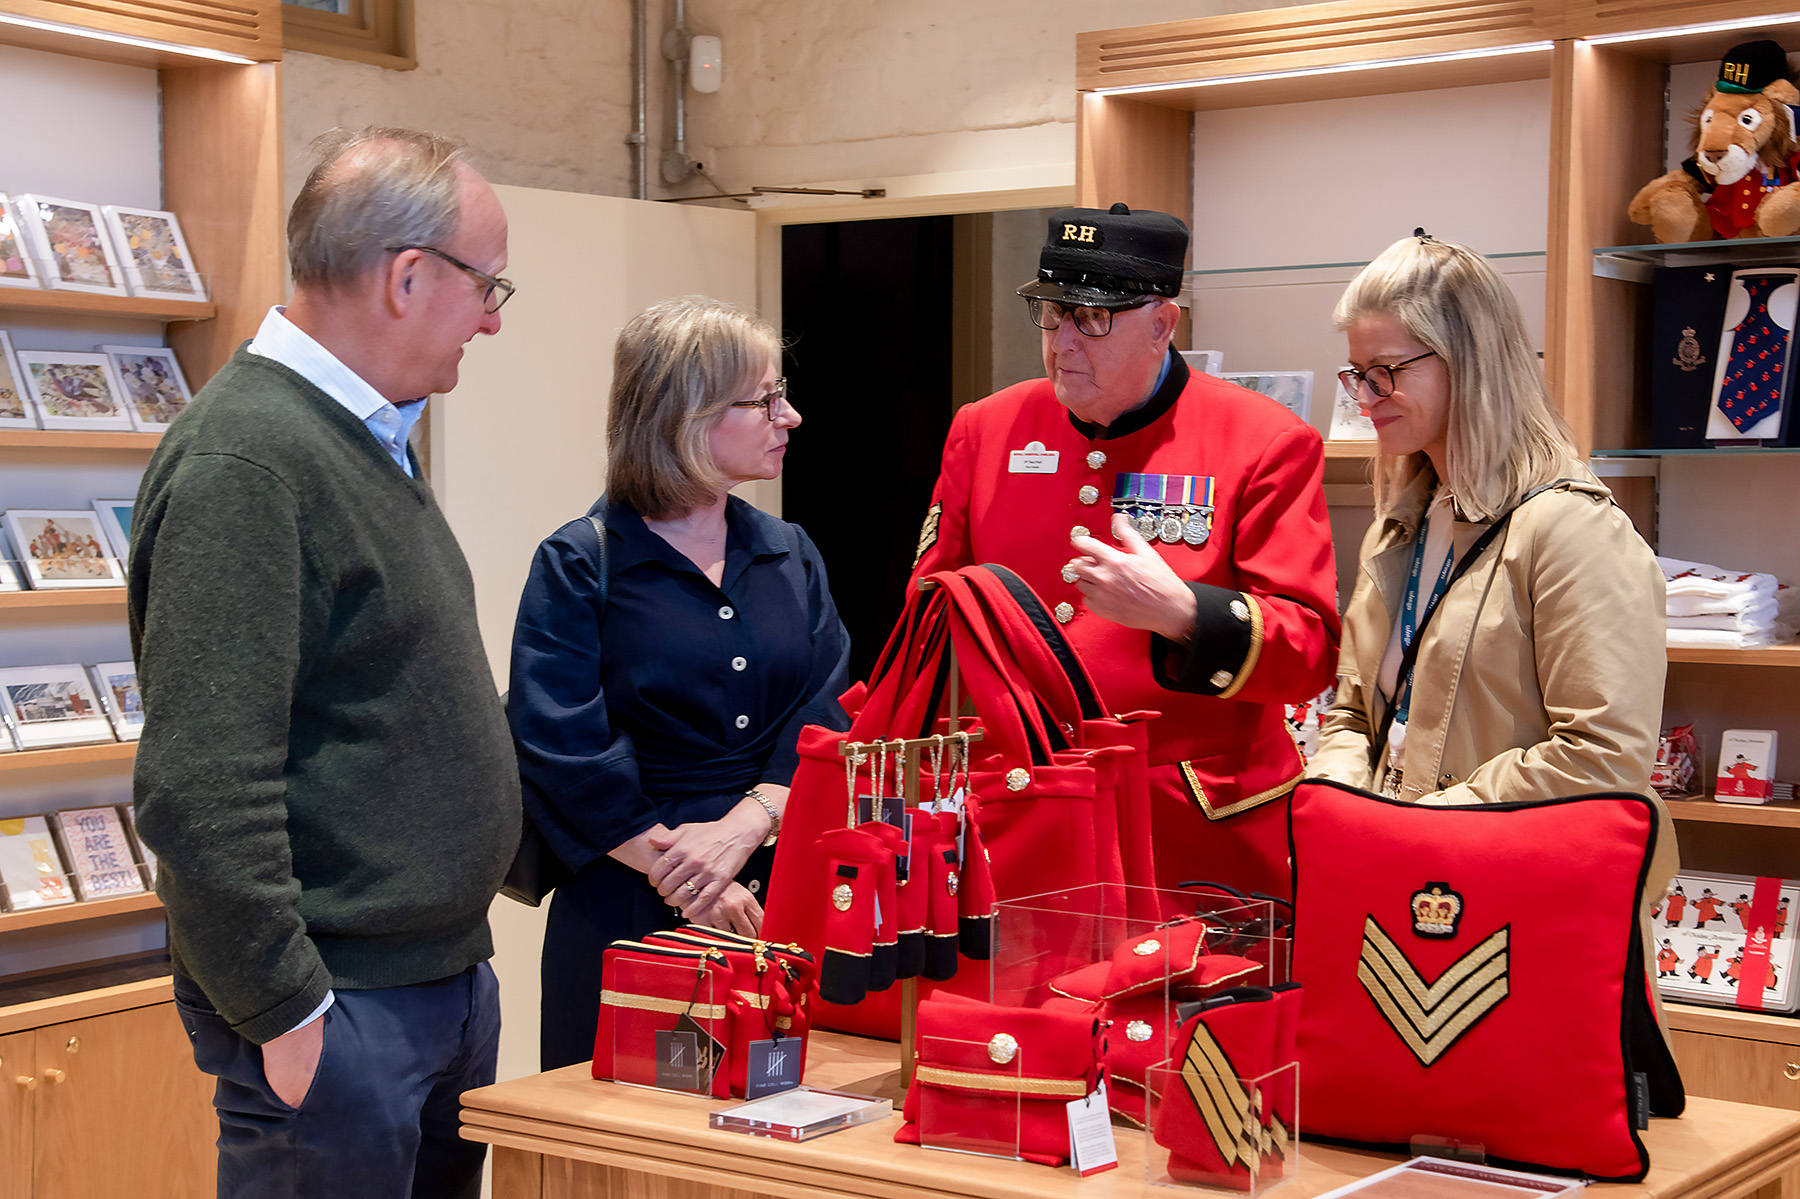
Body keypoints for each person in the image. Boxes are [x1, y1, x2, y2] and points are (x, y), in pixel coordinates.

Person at [128, 126, 519, 1199]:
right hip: (340, 1009)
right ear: (405, 276)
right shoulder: (249, 460)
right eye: (487, 285)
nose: (491, 317)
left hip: (430, 982)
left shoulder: (361, 436)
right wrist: (286, 1008)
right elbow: (201, 784)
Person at [911, 204, 1340, 900]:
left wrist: (1185, 613)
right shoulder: (985, 429)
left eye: (1092, 318)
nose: (1063, 344)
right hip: (1017, 821)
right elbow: (928, 618)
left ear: (1163, 323)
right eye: (1052, 314)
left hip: (1186, 835)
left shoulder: (1264, 440)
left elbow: (1310, 651)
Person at [508, 296, 851, 1070]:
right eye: (764, 399)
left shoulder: (791, 552)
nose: (789, 415)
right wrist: (691, 878)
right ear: (685, 415)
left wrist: (743, 828)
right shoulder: (578, 561)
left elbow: (827, 712)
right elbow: (559, 744)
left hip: (776, 894)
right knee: (621, 1161)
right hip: (628, 899)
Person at [1307, 232, 1668, 807]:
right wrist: (1334, 805)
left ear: (1469, 359)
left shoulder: (1572, 530)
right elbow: (1353, 717)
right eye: (1356, 373)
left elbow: (1605, 755)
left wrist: (1430, 820)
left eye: (1386, 370)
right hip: (1404, 871)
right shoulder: (1399, 525)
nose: (1366, 397)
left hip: (1504, 879)